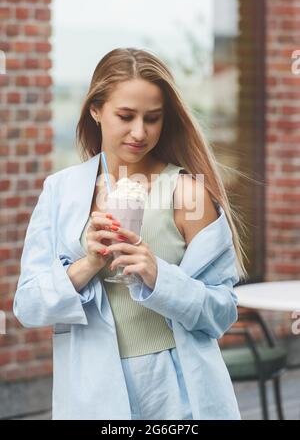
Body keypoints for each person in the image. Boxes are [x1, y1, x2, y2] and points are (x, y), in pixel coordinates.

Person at [13, 47, 247, 420]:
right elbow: (28, 307)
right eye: (126, 116)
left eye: (152, 119)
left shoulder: (186, 192)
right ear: (95, 110)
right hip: (91, 392)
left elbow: (221, 313)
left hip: (177, 392)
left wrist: (159, 277)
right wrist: (87, 265)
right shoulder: (61, 192)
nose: (140, 132)